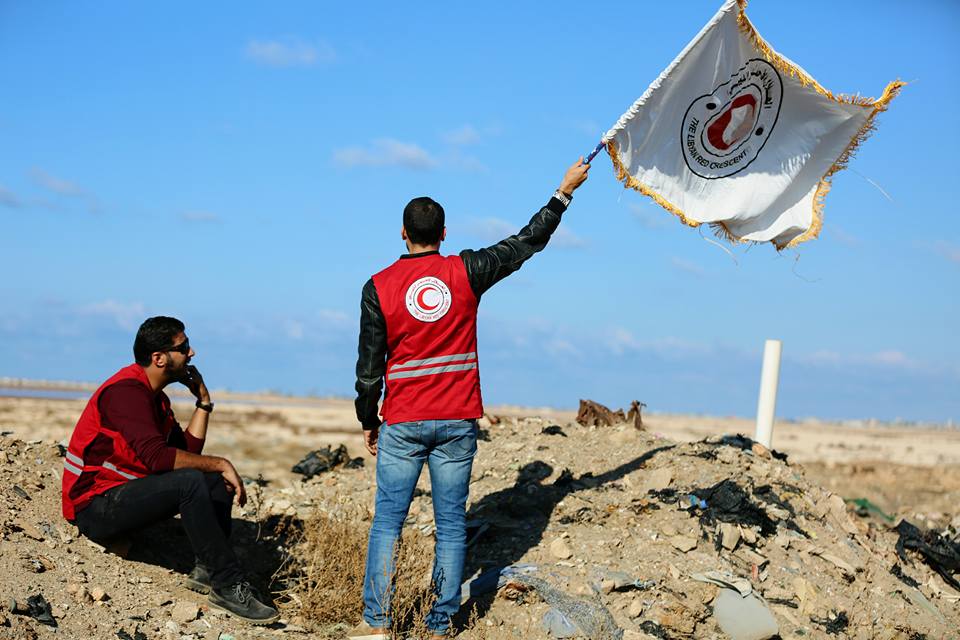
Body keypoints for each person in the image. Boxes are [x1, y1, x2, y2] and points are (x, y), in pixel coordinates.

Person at [349, 158, 590, 639]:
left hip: (402, 421)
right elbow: (525, 244)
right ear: (444, 232)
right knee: (452, 526)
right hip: (457, 420)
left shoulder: (377, 286)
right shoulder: (466, 270)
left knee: (387, 525)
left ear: (402, 234)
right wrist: (563, 192)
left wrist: (367, 419)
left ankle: (376, 625)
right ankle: (440, 626)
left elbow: (368, 366)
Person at [61, 316, 279, 624]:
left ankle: (206, 569)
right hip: (94, 507)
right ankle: (227, 584)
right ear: (159, 358)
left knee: (212, 480)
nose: (192, 353)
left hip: (124, 497)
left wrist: (203, 402)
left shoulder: (156, 399)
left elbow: (186, 454)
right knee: (194, 479)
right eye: (184, 347)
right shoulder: (126, 392)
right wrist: (222, 462)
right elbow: (159, 460)